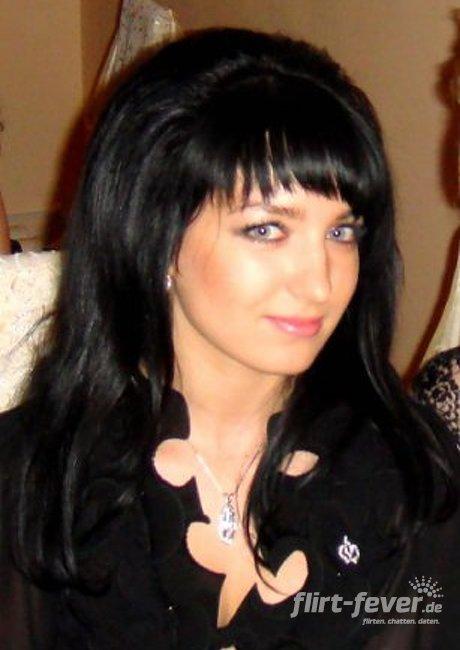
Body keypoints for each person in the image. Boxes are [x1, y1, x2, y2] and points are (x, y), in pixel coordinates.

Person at [0, 27, 459, 650]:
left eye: (342, 232)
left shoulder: (408, 474)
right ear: (154, 234)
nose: (320, 283)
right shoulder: (31, 481)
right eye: (267, 229)